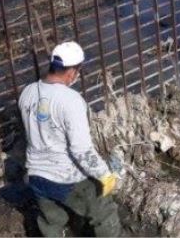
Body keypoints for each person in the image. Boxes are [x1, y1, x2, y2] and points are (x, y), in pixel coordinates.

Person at [18, 41, 121, 237]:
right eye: (78, 70)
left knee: (52, 222)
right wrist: (104, 175)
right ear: (72, 72)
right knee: (105, 212)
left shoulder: (27, 92)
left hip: (36, 177)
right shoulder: (71, 100)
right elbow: (81, 150)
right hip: (65, 177)